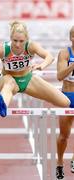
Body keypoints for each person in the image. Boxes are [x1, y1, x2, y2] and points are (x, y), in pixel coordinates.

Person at [0, 21, 70, 118]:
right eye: (15, 40)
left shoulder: (30, 46)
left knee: (65, 102)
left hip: (28, 79)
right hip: (8, 79)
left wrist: (42, 65)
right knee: (9, 84)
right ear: (10, 38)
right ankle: (2, 103)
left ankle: (4, 101)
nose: (18, 44)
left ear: (26, 39)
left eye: (21, 41)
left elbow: (49, 56)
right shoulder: (3, 49)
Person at [56, 26, 74, 180]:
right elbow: (60, 76)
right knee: (64, 135)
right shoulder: (64, 53)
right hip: (67, 96)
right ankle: (60, 163)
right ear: (71, 38)